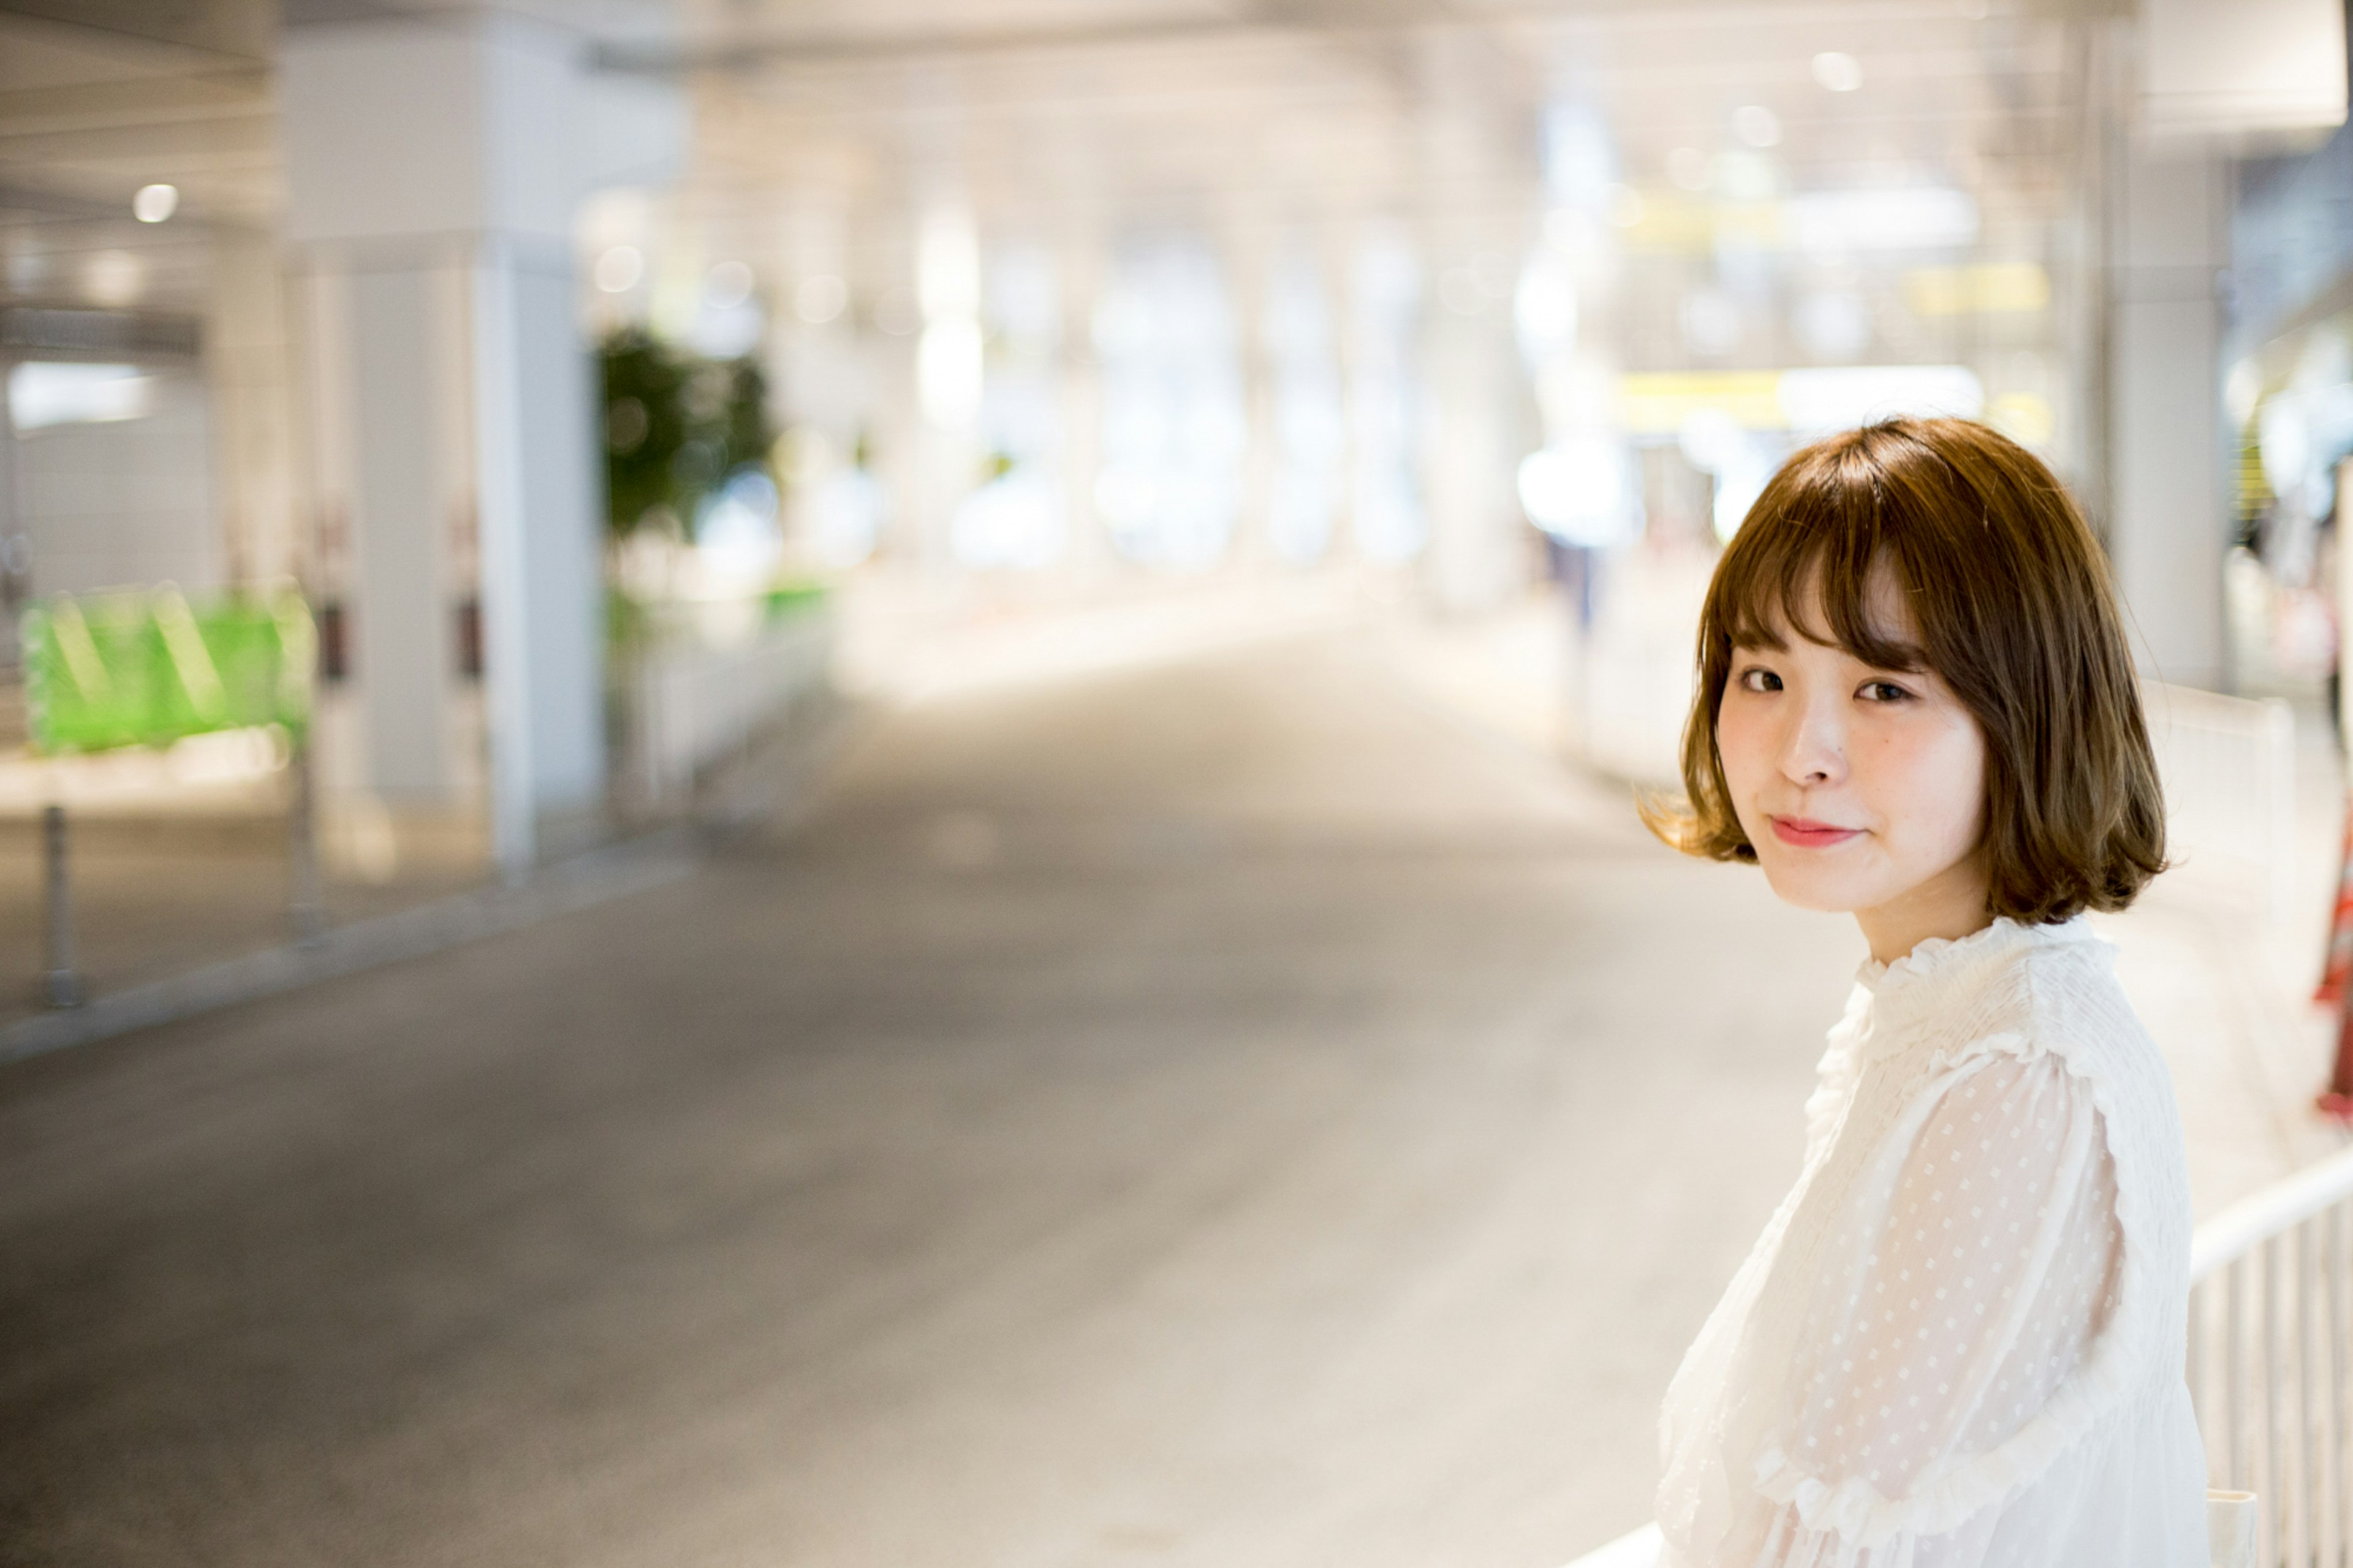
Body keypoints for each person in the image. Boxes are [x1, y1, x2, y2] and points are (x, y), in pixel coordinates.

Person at [1639, 419, 2206, 1566]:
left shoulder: (2020, 1073)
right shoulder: (1947, 1012)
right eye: (1764, 674)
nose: (1804, 748)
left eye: (1886, 690)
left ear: (2028, 710)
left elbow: (1841, 1541)